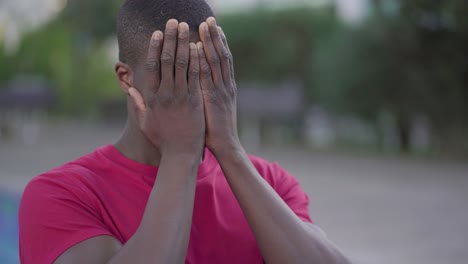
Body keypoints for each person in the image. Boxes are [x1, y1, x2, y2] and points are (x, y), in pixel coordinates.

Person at [19, 0, 351, 263]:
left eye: (206, 70)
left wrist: (231, 150)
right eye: (173, 71)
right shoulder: (61, 194)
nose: (192, 89)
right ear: (125, 78)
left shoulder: (271, 183)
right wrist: (180, 154)